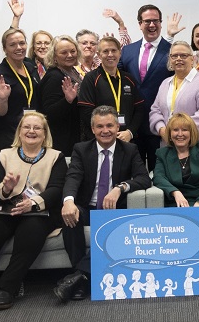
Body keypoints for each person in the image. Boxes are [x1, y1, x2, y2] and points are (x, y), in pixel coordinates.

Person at [0, 112, 67, 310]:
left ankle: (7, 288)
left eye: (37, 128)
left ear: (45, 134)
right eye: (26, 127)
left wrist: (33, 203)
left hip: (40, 211)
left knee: (31, 231)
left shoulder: (56, 156)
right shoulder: (4, 154)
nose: (31, 131)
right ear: (19, 131)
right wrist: (6, 188)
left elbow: (56, 189)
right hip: (7, 208)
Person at [53, 106, 152, 302]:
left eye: (109, 125)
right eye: (99, 126)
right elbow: (72, 177)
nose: (105, 131)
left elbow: (144, 178)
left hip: (113, 210)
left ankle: (78, 280)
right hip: (88, 207)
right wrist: (69, 202)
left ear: (117, 127)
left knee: (119, 224)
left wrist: (120, 187)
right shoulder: (81, 149)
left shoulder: (130, 149)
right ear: (92, 129)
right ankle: (81, 276)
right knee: (69, 217)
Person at [118, 4, 173, 170]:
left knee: (161, 173)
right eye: (147, 21)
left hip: (160, 124)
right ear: (140, 24)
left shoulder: (171, 51)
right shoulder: (127, 51)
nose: (152, 25)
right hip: (132, 125)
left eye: (156, 21)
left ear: (161, 23)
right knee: (134, 173)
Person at [77, 36, 146, 143]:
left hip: (126, 139)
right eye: (105, 51)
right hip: (101, 139)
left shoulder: (129, 79)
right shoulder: (91, 79)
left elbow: (139, 109)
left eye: (114, 50)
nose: (110, 54)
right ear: (99, 55)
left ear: (120, 53)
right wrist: (106, 132)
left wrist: (130, 132)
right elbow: (86, 112)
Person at [149, 41, 199, 147]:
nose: (178, 59)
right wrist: (162, 129)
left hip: (195, 146)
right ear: (170, 59)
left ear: (192, 59)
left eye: (183, 55)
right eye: (174, 56)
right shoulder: (165, 83)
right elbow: (155, 111)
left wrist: (178, 133)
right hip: (168, 146)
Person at [152, 113, 199, 211]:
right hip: (175, 203)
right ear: (170, 134)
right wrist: (175, 192)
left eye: (185, 130)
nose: (180, 134)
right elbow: (158, 178)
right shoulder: (163, 154)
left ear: (191, 133)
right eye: (175, 130)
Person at [0, 28, 41, 153]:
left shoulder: (31, 67)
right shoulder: (0, 74)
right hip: (10, 136)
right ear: (5, 49)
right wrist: (3, 99)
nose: (19, 47)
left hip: (32, 132)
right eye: (12, 45)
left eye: (22, 43)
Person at [39, 35, 83, 155]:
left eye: (72, 51)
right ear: (54, 56)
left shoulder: (73, 71)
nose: (70, 55)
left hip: (74, 134)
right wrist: (67, 101)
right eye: (64, 52)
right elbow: (48, 112)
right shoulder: (54, 77)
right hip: (61, 141)